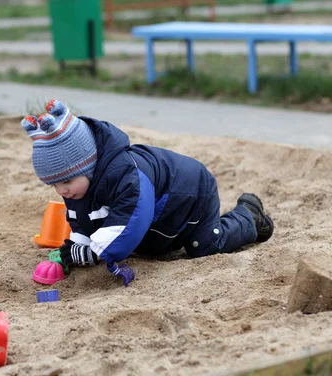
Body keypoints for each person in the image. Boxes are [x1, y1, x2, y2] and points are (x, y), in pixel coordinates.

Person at [22, 100, 274, 287]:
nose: (62, 190)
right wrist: (79, 245)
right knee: (147, 247)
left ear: (88, 165)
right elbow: (84, 219)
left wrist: (94, 252)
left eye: (66, 181)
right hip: (162, 218)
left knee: (204, 245)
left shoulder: (125, 176)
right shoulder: (80, 185)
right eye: (54, 185)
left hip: (192, 195)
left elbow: (131, 219)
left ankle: (249, 215)